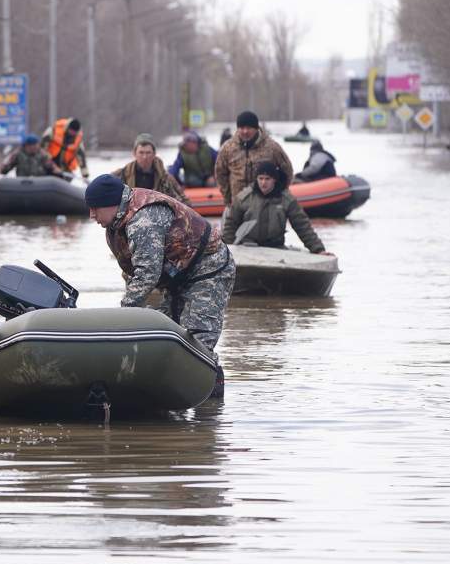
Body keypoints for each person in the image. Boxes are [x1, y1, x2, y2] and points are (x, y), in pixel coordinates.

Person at [86, 174, 234, 397]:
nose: (91, 215)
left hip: (208, 270)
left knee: (196, 340)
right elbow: (132, 271)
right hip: (178, 277)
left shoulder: (143, 219)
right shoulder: (116, 225)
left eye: (95, 208)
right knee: (167, 333)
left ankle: (209, 404)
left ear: (111, 203)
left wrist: (123, 314)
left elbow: (147, 273)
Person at [222, 161, 332, 255]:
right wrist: (227, 250)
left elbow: (302, 226)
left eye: (267, 179)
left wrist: (318, 249)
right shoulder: (244, 198)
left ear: (274, 179)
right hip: (247, 247)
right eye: (260, 178)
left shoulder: (286, 199)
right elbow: (230, 225)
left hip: (276, 248)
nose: (263, 183)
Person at [214, 110, 293, 206]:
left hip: (265, 204)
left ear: (256, 128)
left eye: (249, 128)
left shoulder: (272, 147)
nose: (245, 131)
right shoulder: (228, 148)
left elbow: (287, 170)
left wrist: (278, 192)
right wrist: (227, 198)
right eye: (242, 128)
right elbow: (220, 173)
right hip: (237, 204)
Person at [112, 133, 188, 202]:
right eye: (141, 152)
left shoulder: (166, 179)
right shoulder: (121, 175)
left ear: (154, 154)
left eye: (148, 153)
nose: (144, 157)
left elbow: (185, 202)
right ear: (134, 153)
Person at [0, 135, 66, 178]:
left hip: (41, 184)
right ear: (26, 146)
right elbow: (8, 165)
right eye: (31, 146)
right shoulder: (18, 154)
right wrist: (0, 169)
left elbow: (51, 166)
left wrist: (57, 170)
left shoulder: (42, 154)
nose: (34, 148)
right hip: (22, 183)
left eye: (35, 145)